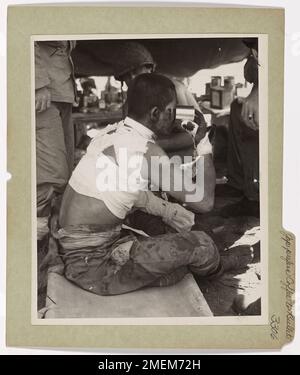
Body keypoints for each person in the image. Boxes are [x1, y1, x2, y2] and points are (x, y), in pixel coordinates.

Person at [56, 73, 252, 296]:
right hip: (93, 266)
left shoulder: (110, 132)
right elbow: (205, 201)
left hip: (74, 244)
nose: (173, 116)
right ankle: (216, 268)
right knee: (199, 244)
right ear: (155, 113)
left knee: (160, 220)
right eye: (171, 111)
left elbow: (119, 188)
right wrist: (203, 143)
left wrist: (165, 209)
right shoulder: (146, 152)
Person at [113, 41, 207, 159]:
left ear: (150, 69)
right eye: (126, 75)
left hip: (186, 158)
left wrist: (151, 145)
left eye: (136, 71)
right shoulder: (131, 101)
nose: (132, 78)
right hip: (156, 157)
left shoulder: (172, 91)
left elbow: (194, 134)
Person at [35, 41, 77, 240]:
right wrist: (37, 83)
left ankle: (51, 236)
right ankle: (37, 236)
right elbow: (25, 35)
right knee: (52, 171)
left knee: (66, 169)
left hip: (62, 91)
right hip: (45, 92)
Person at [220, 39, 260, 217]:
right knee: (237, 108)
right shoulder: (254, 49)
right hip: (266, 89)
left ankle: (255, 197)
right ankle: (237, 183)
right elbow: (250, 75)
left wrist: (258, 94)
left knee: (250, 119)